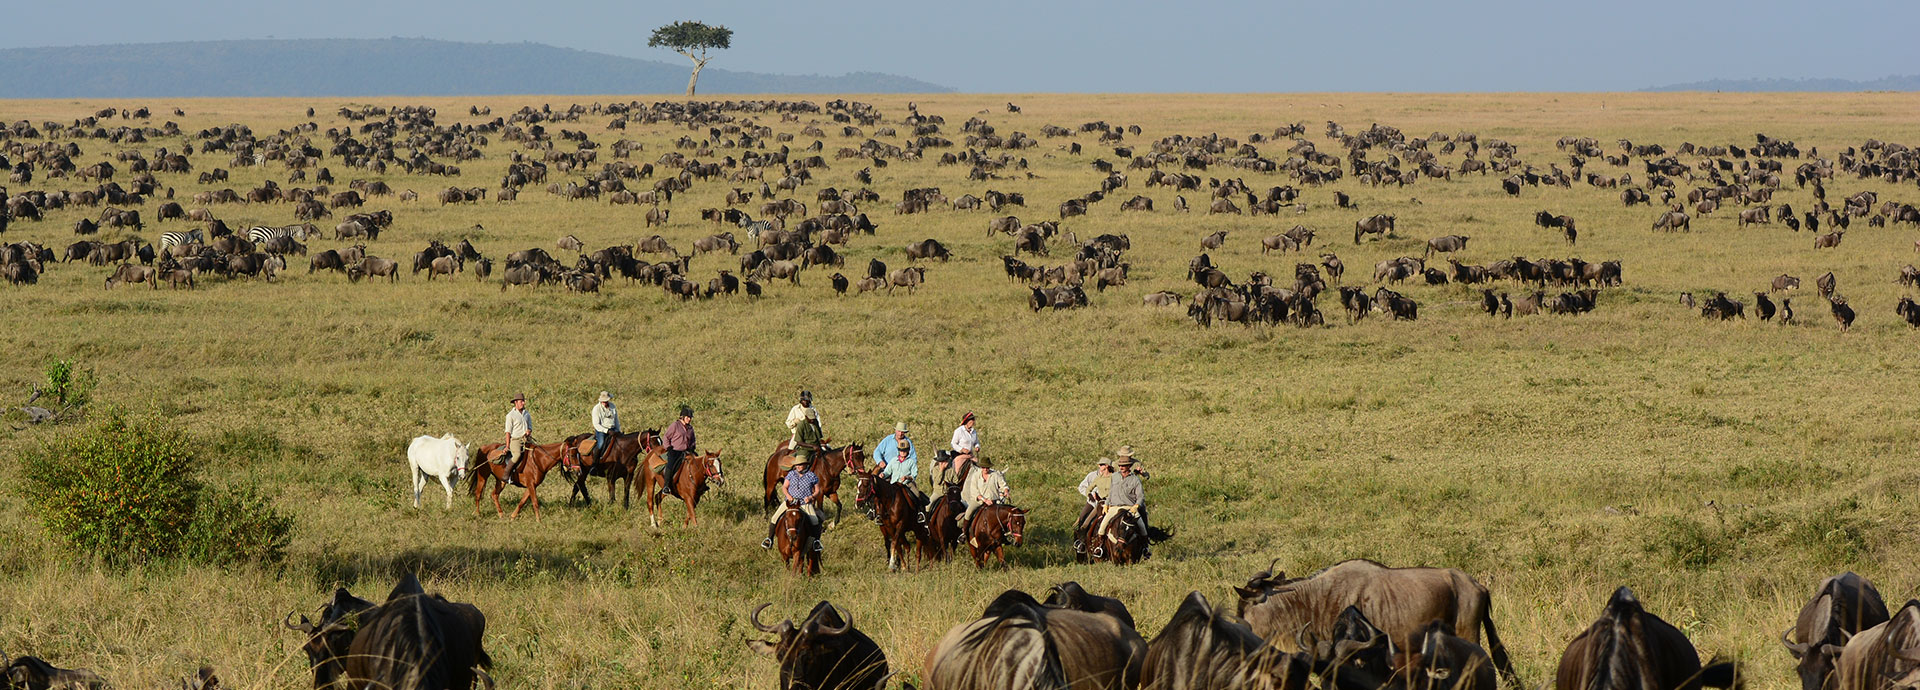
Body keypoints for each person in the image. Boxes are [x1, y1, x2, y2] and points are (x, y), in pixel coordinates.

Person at [763, 456, 823, 552]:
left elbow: (817, 490)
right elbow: (784, 487)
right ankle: (769, 539)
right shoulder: (791, 474)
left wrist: (811, 497)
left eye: (800, 465)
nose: (798, 466)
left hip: (804, 503)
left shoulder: (811, 475)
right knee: (774, 517)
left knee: (815, 520)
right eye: (797, 465)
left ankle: (816, 542)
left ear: (805, 465)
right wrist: (788, 496)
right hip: (790, 503)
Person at [1096, 454, 1150, 558]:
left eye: (1124, 465)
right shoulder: (1115, 476)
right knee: (1102, 528)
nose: (1121, 467)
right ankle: (1100, 547)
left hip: (1129, 508)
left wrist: (1137, 505)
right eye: (1120, 465)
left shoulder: (1135, 480)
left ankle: (1145, 548)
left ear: (1129, 466)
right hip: (1114, 507)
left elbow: (1140, 496)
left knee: (1143, 528)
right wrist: (1106, 504)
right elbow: (1111, 492)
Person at [873, 421, 926, 515]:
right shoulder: (887, 440)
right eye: (899, 431)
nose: (901, 433)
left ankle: (919, 513)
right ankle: (875, 512)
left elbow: (914, 460)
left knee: (916, 494)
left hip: (905, 480)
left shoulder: (908, 443)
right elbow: (877, 452)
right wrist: (880, 463)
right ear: (895, 430)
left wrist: (908, 475)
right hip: (889, 472)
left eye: (903, 432)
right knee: (877, 490)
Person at [959, 456, 1010, 545]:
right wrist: (985, 500)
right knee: (968, 512)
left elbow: (1003, 485)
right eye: (983, 467)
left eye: (987, 467)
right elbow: (974, 491)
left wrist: (1006, 491)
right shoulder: (975, 476)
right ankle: (964, 533)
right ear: (981, 467)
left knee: (1004, 515)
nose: (985, 469)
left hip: (994, 501)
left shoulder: (996, 475)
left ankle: (1004, 536)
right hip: (979, 501)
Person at [1072, 457, 1114, 554]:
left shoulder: (1114, 477)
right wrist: (1089, 494)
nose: (1099, 466)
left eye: (1101, 465)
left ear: (1107, 466)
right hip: (1095, 503)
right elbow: (1084, 487)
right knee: (1084, 520)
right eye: (1099, 465)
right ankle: (1081, 542)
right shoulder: (1094, 476)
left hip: (1111, 503)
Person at [660, 406, 696, 497]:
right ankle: (666, 486)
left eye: (690, 418)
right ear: (682, 417)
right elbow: (666, 437)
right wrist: (668, 448)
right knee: (670, 464)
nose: (689, 419)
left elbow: (692, 440)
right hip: (675, 451)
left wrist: (692, 447)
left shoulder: (690, 428)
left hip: (686, 451)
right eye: (688, 417)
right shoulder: (675, 425)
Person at [784, 390, 823, 470]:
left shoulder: (813, 409)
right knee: (790, 450)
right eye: (804, 400)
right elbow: (788, 423)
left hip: (812, 435)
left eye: (808, 400)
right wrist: (794, 422)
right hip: (798, 435)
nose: (806, 402)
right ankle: (790, 468)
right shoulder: (795, 409)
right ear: (801, 400)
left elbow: (819, 423)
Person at [501, 393, 532, 483]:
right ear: (516, 402)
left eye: (523, 401)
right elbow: (508, 432)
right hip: (516, 440)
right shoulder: (510, 415)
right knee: (517, 455)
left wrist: (529, 431)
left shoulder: (527, 414)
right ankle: (507, 474)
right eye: (521, 401)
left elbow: (530, 427)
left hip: (526, 439)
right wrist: (507, 445)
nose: (523, 403)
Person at [589, 391, 620, 463]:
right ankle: (595, 463)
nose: (605, 403)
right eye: (604, 401)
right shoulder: (596, 409)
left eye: (606, 401)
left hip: (613, 428)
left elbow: (616, 420)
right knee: (601, 444)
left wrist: (618, 430)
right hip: (601, 430)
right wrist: (607, 431)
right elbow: (596, 425)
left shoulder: (612, 406)